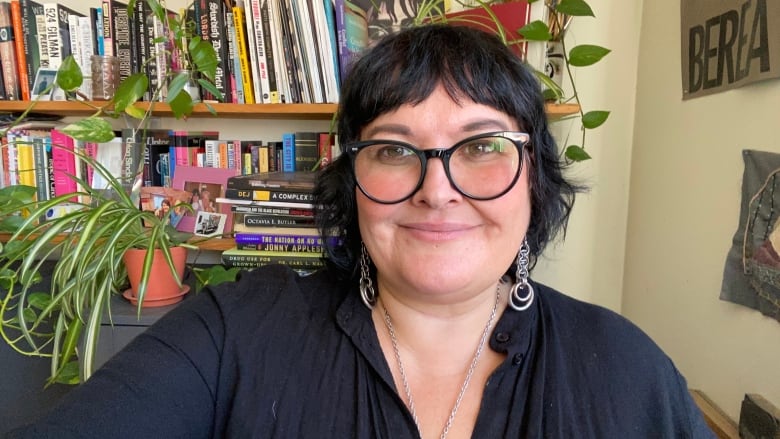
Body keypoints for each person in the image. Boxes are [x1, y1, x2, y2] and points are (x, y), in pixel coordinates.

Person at [4, 25, 714, 438]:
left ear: (535, 175)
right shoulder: (238, 329)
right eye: (394, 149)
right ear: (353, 180)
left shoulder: (627, 370)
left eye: (482, 145)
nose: (437, 192)